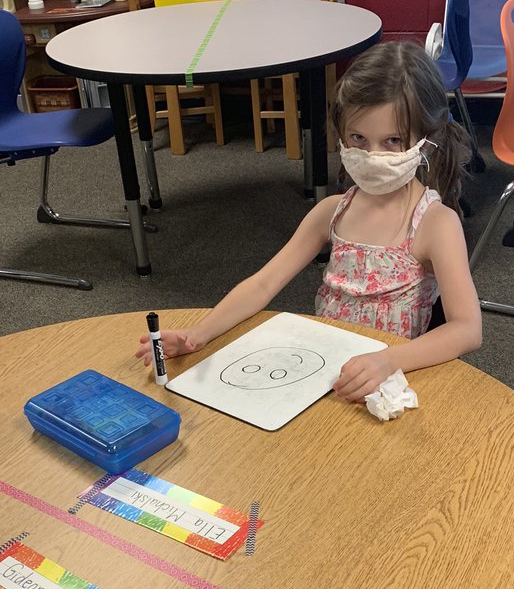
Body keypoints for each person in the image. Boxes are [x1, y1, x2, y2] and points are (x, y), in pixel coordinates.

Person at [135, 40, 482, 402]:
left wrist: (387, 360)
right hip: (325, 373)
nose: (373, 155)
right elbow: (263, 284)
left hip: (390, 382)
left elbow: (467, 328)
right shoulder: (333, 211)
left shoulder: (434, 223)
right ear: (341, 134)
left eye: (392, 140)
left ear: (424, 142)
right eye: (358, 138)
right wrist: (198, 334)